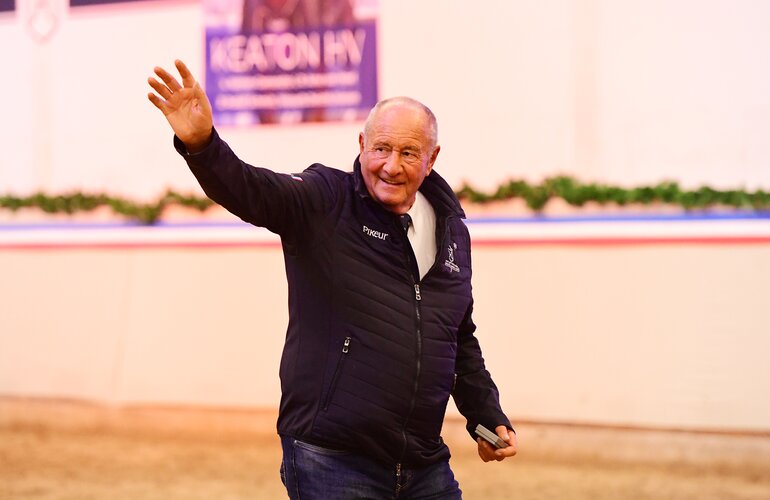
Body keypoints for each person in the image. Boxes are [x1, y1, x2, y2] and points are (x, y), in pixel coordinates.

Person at [148, 59, 517, 499]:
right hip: (331, 461)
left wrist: (485, 414)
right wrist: (203, 145)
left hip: (423, 465)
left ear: (431, 158)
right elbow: (252, 190)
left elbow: (456, 336)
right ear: (361, 144)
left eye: (408, 153)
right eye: (381, 148)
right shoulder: (325, 200)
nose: (391, 166)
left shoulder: (451, 230)